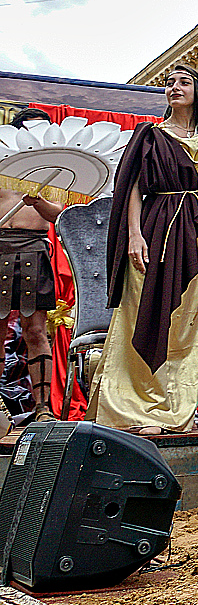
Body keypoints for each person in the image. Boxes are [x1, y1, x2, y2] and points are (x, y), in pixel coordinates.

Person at [89, 65, 198, 435]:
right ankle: (132, 407)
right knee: (144, 313)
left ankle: (171, 407)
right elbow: (132, 187)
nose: (174, 88)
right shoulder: (151, 135)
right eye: (169, 83)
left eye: (183, 82)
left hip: (196, 236)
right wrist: (134, 234)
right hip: (156, 229)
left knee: (185, 321)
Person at [0, 108, 64, 423]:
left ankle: (42, 409)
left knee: (36, 330)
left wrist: (37, 199)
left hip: (33, 249)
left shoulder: (52, 169)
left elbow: (57, 214)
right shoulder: (1, 161)